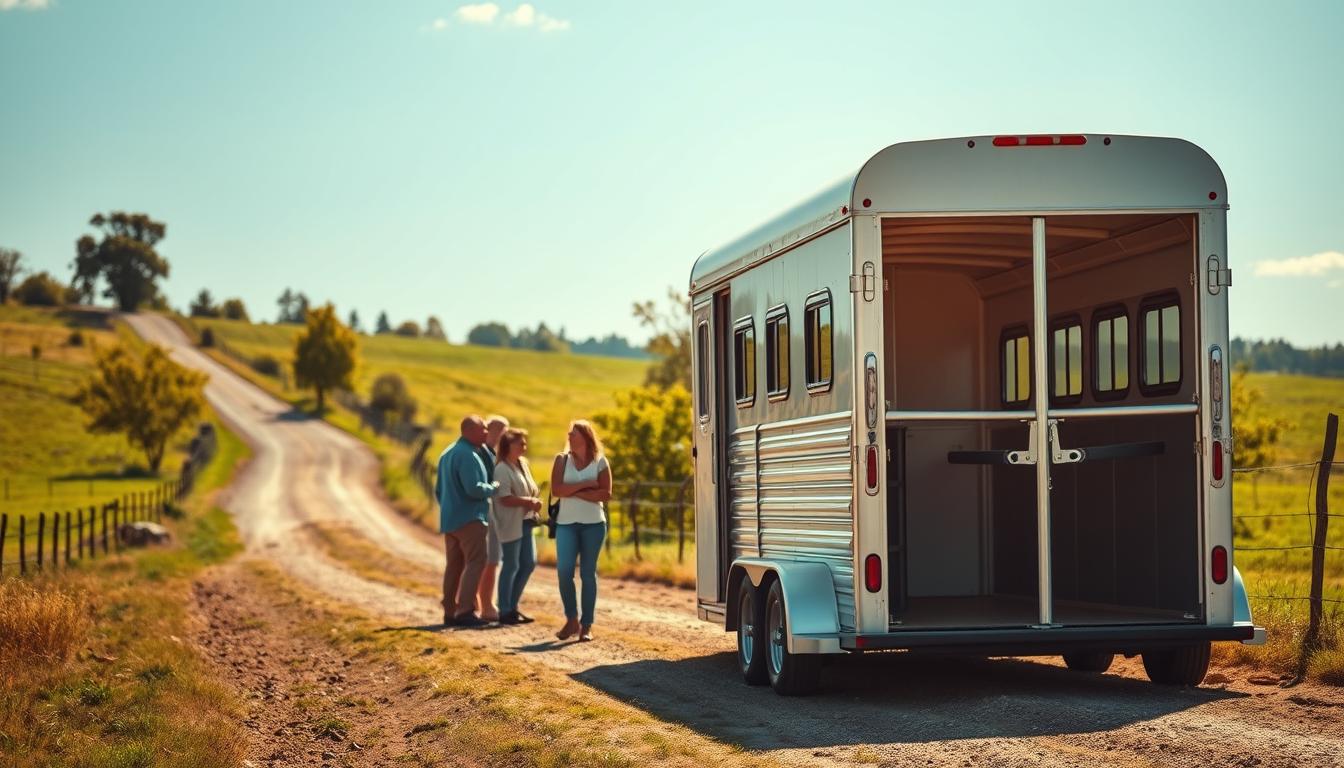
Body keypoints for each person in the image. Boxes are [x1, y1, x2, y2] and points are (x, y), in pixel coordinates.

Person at [550, 420, 612, 642]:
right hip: (566, 524)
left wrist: (573, 491)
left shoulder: (600, 461)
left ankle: (587, 626)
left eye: (573, 433)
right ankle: (571, 620)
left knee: (588, 574)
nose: (569, 436)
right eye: (568, 432)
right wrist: (586, 484)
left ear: (586, 437)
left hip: (594, 524)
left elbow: (605, 494)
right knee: (564, 572)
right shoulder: (561, 460)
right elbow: (557, 490)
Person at [436, 415, 499, 628]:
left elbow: (438, 491)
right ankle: (465, 610)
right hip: (470, 518)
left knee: (453, 566)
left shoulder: (447, 453)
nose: (486, 433)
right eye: (483, 429)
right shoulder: (469, 455)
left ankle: (450, 612)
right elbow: (474, 489)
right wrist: (494, 488)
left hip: (450, 519)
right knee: (476, 562)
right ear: (469, 430)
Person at [493, 428, 542, 624]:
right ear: (508, 445)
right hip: (511, 522)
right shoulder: (501, 469)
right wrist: (528, 502)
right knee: (511, 565)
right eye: (520, 443)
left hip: (526, 522)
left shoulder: (523, 464)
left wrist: (532, 503)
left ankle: (512, 606)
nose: (524, 447)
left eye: (524, 443)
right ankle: (504, 609)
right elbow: (503, 498)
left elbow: (531, 489)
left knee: (528, 563)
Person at [475, 414, 510, 621]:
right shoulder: (487, 455)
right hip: (489, 513)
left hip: (486, 512)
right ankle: (487, 606)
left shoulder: (481, 452)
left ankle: (475, 602)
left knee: (482, 560)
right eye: (505, 432)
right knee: (491, 560)